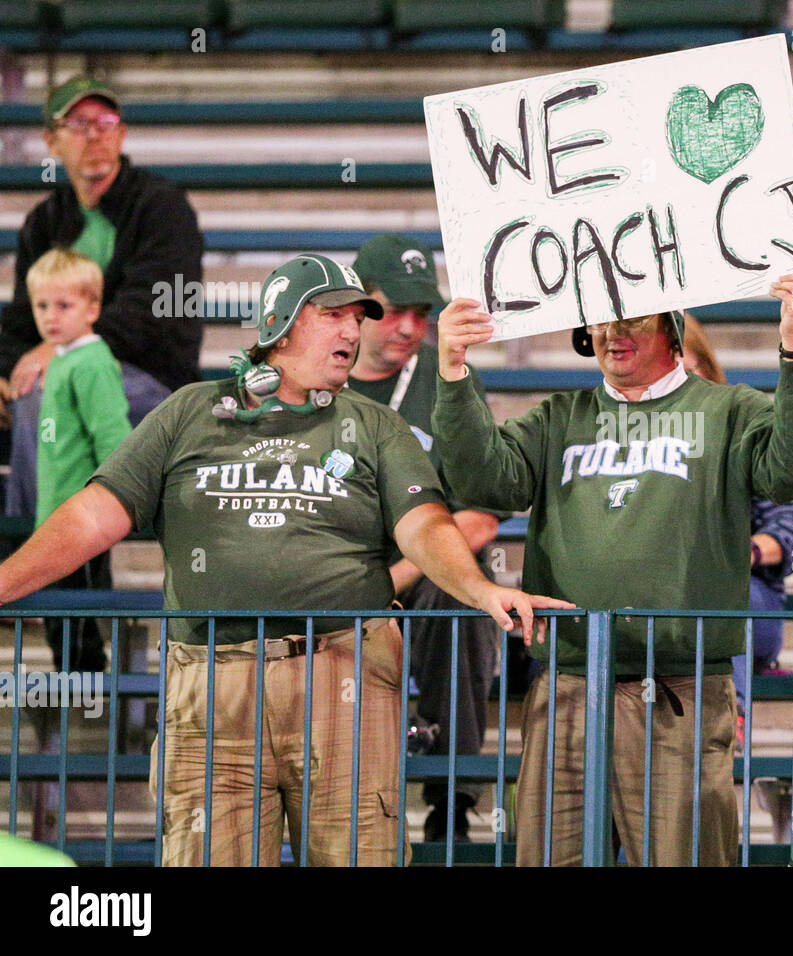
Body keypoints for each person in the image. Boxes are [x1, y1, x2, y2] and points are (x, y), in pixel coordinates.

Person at [0, 253, 571, 866]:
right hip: (212, 681)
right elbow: (93, 515)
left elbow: (424, 525)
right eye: (333, 315)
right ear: (278, 323)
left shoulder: (375, 426)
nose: (352, 331)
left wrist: (478, 589)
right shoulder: (190, 412)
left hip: (342, 674)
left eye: (359, 319)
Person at [431, 257, 793, 866]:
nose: (612, 332)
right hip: (567, 687)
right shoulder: (557, 418)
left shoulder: (728, 411)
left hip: (681, 690)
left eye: (632, 316)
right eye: (599, 320)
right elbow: (485, 480)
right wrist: (455, 371)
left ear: (672, 326)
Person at [348, 233, 510, 842]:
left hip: (419, 564)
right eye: (394, 310)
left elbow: (480, 516)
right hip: (332, 560)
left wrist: (399, 574)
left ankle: (452, 798)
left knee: (465, 592)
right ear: (357, 303)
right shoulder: (316, 372)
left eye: (424, 313)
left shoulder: (449, 377)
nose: (411, 327)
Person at [0, 75, 203, 521]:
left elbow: (155, 312)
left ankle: (45, 564)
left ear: (122, 134)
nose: (94, 133)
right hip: (74, 376)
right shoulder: (45, 221)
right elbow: (19, 320)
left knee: (50, 392)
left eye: (106, 121)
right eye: (77, 123)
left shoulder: (161, 208)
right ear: (52, 141)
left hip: (155, 384)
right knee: (42, 388)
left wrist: (60, 352)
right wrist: (7, 371)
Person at [679, 314, 793, 736]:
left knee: (721, 591)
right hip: (656, 604)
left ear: (704, 368)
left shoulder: (744, 431)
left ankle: (725, 720)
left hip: (741, 601)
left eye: (683, 374)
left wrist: (743, 553)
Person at [29, 248, 131, 672]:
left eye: (64, 305)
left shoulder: (90, 363)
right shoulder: (65, 358)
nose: (50, 316)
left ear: (93, 308)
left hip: (81, 521)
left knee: (76, 621)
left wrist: (107, 504)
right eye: (41, 305)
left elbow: (113, 437)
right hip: (58, 516)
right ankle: (77, 710)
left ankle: (90, 712)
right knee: (60, 619)